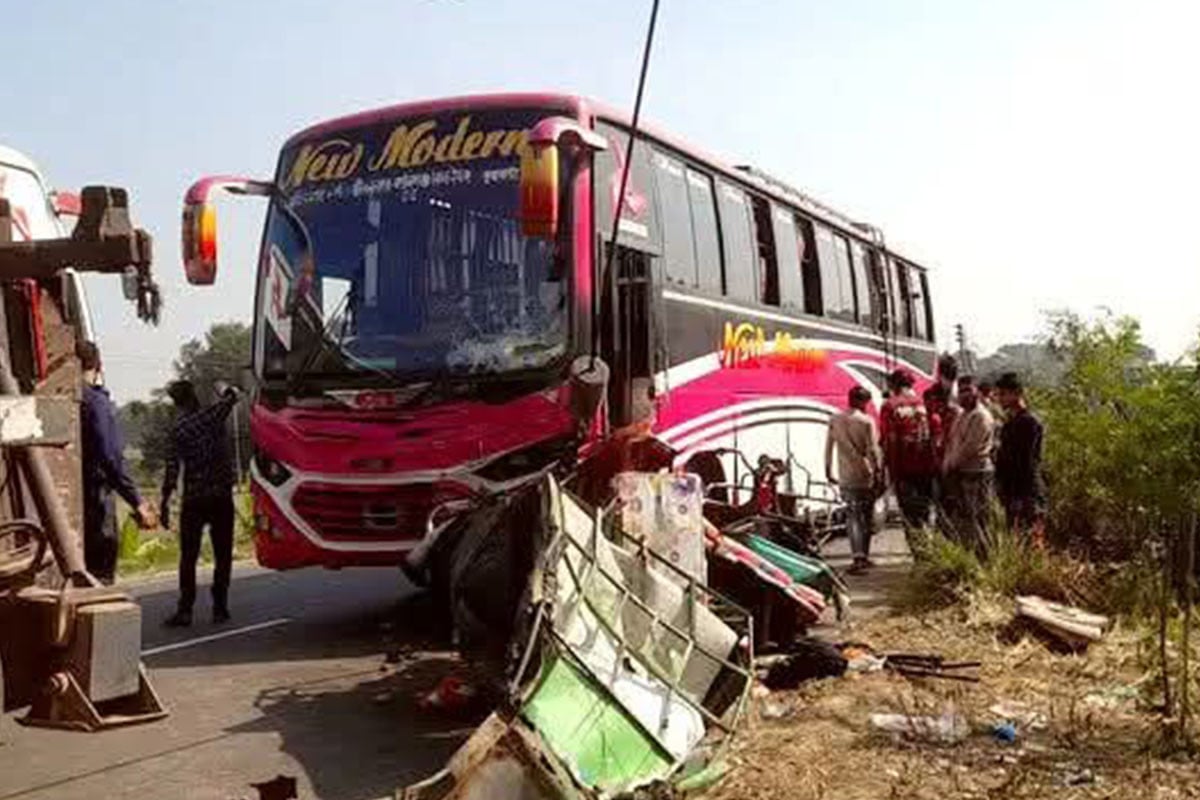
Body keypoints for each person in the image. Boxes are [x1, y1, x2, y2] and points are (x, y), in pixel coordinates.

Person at [161, 380, 240, 626]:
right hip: (220, 495)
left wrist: (164, 503)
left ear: (176, 403)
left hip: (194, 498)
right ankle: (220, 607)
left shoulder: (178, 430)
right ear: (194, 396)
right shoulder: (211, 415)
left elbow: (172, 471)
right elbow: (233, 396)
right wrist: (221, 386)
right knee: (222, 554)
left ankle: (185, 610)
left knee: (189, 556)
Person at [78, 341, 156, 584]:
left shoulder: (68, 400)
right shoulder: (94, 402)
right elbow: (110, 457)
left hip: (67, 507)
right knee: (99, 577)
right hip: (94, 501)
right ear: (98, 367)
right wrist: (137, 502)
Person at [825, 386, 882, 574]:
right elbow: (873, 450)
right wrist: (878, 471)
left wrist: (827, 470)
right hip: (864, 475)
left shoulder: (835, 420)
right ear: (862, 401)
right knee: (865, 515)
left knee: (853, 515)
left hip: (845, 475)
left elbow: (829, 447)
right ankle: (862, 556)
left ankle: (858, 556)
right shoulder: (866, 421)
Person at [880, 368, 937, 536]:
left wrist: (889, 472)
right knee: (924, 513)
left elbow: (888, 441)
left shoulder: (889, 406)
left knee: (909, 517)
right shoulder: (922, 403)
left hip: (903, 470)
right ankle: (928, 553)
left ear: (893, 385)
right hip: (926, 468)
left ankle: (919, 555)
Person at [942, 376, 995, 551]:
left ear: (977, 392)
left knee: (979, 517)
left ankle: (985, 557)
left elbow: (970, 448)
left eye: (968, 390)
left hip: (976, 473)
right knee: (966, 518)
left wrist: (950, 465)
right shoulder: (962, 415)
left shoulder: (980, 416)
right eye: (961, 391)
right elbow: (953, 443)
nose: (964, 395)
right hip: (961, 473)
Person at [994, 372, 1045, 541]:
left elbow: (1027, 462)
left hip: (1025, 492)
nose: (999, 399)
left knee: (1030, 541)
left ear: (1016, 393)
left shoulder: (1029, 423)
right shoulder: (1010, 423)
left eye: (1003, 394)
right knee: (1016, 541)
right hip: (1012, 491)